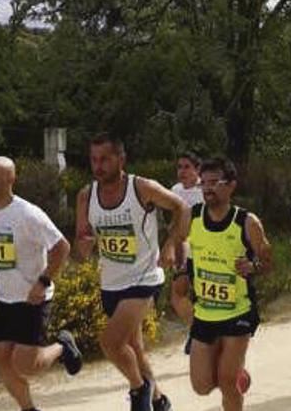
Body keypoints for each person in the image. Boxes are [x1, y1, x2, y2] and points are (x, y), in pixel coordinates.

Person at [75, 133, 190, 411]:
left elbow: (182, 208)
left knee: (111, 343)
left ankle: (140, 391)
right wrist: (85, 243)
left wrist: (172, 244)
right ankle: (160, 402)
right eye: (94, 160)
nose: (98, 166)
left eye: (105, 159)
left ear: (121, 159)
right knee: (134, 349)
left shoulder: (142, 188)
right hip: (111, 281)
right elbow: (82, 244)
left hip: (144, 278)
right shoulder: (86, 195)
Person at [0, 157, 82, 411]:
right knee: (3, 360)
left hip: (33, 298)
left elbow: (62, 247)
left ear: (10, 179)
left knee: (26, 365)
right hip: (5, 298)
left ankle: (63, 345)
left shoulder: (28, 214)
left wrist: (43, 281)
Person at [188, 158, 272, 411]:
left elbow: (268, 262)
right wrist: (176, 261)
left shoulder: (247, 222)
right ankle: (239, 374)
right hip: (204, 312)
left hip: (239, 310)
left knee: (226, 382)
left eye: (214, 182)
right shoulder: (191, 217)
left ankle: (232, 375)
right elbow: (178, 242)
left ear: (231, 186)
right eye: (203, 183)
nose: (207, 188)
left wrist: (253, 267)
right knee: (201, 386)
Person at [170, 152, 205, 355]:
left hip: (204, 253)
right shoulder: (175, 191)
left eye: (186, 167)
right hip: (184, 251)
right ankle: (197, 330)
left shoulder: (205, 191)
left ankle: (207, 336)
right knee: (177, 295)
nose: (181, 171)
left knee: (203, 299)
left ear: (197, 170)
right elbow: (174, 222)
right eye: (179, 167)